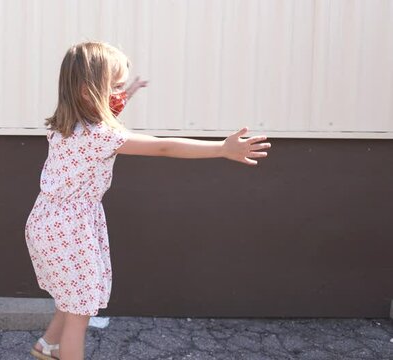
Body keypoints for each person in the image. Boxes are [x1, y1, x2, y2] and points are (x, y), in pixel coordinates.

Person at [25, 41, 271, 360]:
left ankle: (46, 346)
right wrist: (221, 149)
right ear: (89, 92)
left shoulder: (68, 126)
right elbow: (163, 146)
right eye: (113, 87)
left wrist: (130, 92)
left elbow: (105, 111)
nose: (118, 94)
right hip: (69, 228)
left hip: (50, 220)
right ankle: (61, 351)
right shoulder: (101, 137)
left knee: (72, 297)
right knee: (80, 311)